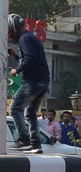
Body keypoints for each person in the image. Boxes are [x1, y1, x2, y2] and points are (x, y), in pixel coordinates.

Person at [8, 14, 49, 151]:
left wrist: (16, 70)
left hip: (33, 81)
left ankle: (23, 139)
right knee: (30, 114)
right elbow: (30, 58)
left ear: (14, 28)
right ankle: (36, 144)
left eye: (9, 31)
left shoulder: (24, 39)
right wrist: (16, 57)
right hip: (43, 81)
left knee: (15, 108)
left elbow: (29, 59)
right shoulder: (32, 38)